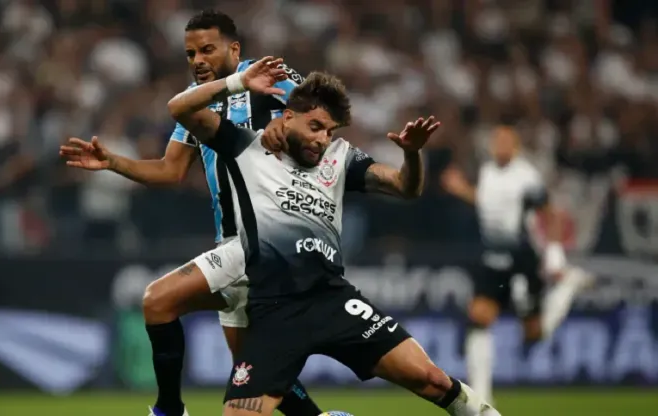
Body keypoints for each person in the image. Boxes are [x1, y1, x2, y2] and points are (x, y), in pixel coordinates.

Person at [166, 57, 501, 416]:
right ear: (287, 116)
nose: (323, 139)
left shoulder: (341, 158)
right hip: (273, 313)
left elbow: (406, 187)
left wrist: (412, 154)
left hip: (333, 300)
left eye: (330, 131)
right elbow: (179, 108)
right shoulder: (245, 147)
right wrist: (237, 83)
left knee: (432, 379)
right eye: (315, 126)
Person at [59, 10, 321, 416]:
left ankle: (168, 410)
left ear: (234, 49)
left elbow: (322, 119)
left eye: (207, 50)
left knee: (158, 300)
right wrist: (114, 163)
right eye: (190, 53)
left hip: (269, 239)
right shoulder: (196, 104)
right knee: (252, 370)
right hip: (232, 241)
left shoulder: (269, 75)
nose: (197, 60)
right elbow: (169, 170)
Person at [441, 126, 592, 404]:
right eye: (496, 141)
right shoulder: (487, 172)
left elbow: (552, 216)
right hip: (492, 257)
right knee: (478, 319)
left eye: (505, 141)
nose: (499, 145)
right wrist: (461, 189)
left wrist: (555, 256)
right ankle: (482, 398)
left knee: (533, 334)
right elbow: (487, 204)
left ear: (516, 147)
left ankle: (567, 287)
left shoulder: (526, 177)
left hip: (522, 259)